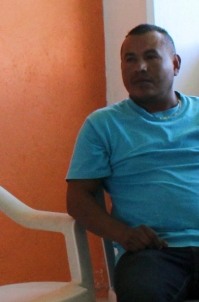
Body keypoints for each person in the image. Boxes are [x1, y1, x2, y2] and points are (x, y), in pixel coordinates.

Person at [66, 24, 199, 302]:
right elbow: (78, 198)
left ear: (175, 64)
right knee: (142, 294)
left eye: (151, 56)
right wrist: (124, 235)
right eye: (130, 59)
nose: (139, 67)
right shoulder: (103, 125)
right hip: (153, 254)